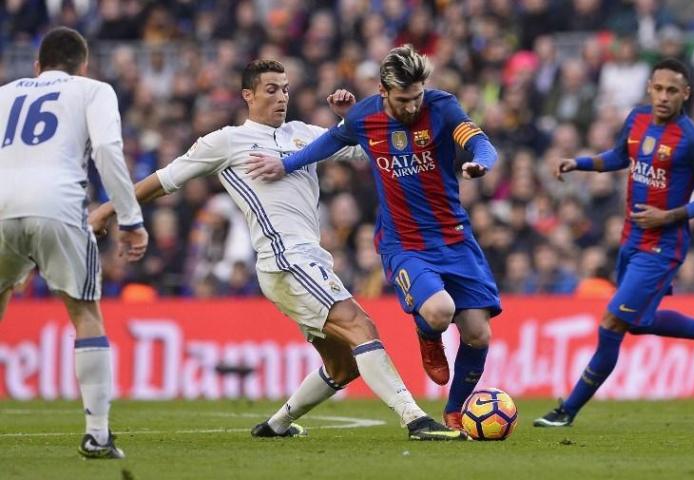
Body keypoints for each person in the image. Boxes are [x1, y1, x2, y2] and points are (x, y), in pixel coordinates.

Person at [90, 59, 466, 441]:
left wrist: (350, 117)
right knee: (361, 327)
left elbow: (368, 146)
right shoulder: (225, 141)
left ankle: (276, 425)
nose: (281, 96)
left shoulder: (303, 134)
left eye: (285, 88)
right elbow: (164, 180)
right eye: (271, 89)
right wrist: (108, 210)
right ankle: (415, 419)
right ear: (247, 95)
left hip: (309, 260)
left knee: (341, 366)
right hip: (285, 259)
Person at [245, 45, 502, 430]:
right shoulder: (365, 116)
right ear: (383, 91)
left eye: (417, 97)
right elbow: (329, 142)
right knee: (439, 310)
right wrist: (285, 165)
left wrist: (480, 162)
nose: (413, 106)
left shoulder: (442, 106)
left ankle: (454, 411)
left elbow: (479, 140)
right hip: (405, 243)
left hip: (454, 238)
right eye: (403, 99)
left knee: (479, 334)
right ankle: (427, 335)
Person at [534, 58, 694, 427]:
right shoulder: (637, 119)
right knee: (639, 322)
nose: (663, 97)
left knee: (611, 324)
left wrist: (669, 216)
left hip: (663, 247)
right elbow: (620, 157)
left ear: (685, 94)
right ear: (649, 89)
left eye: (672, 90)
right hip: (630, 239)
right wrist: (579, 163)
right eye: (658, 89)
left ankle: (567, 410)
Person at [0, 27, 148, 459]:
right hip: (58, 206)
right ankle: (97, 435)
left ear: (37, 65)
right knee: (84, 312)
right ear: (83, 65)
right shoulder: (93, 90)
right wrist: (131, 218)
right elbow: (107, 148)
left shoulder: (5, 93)